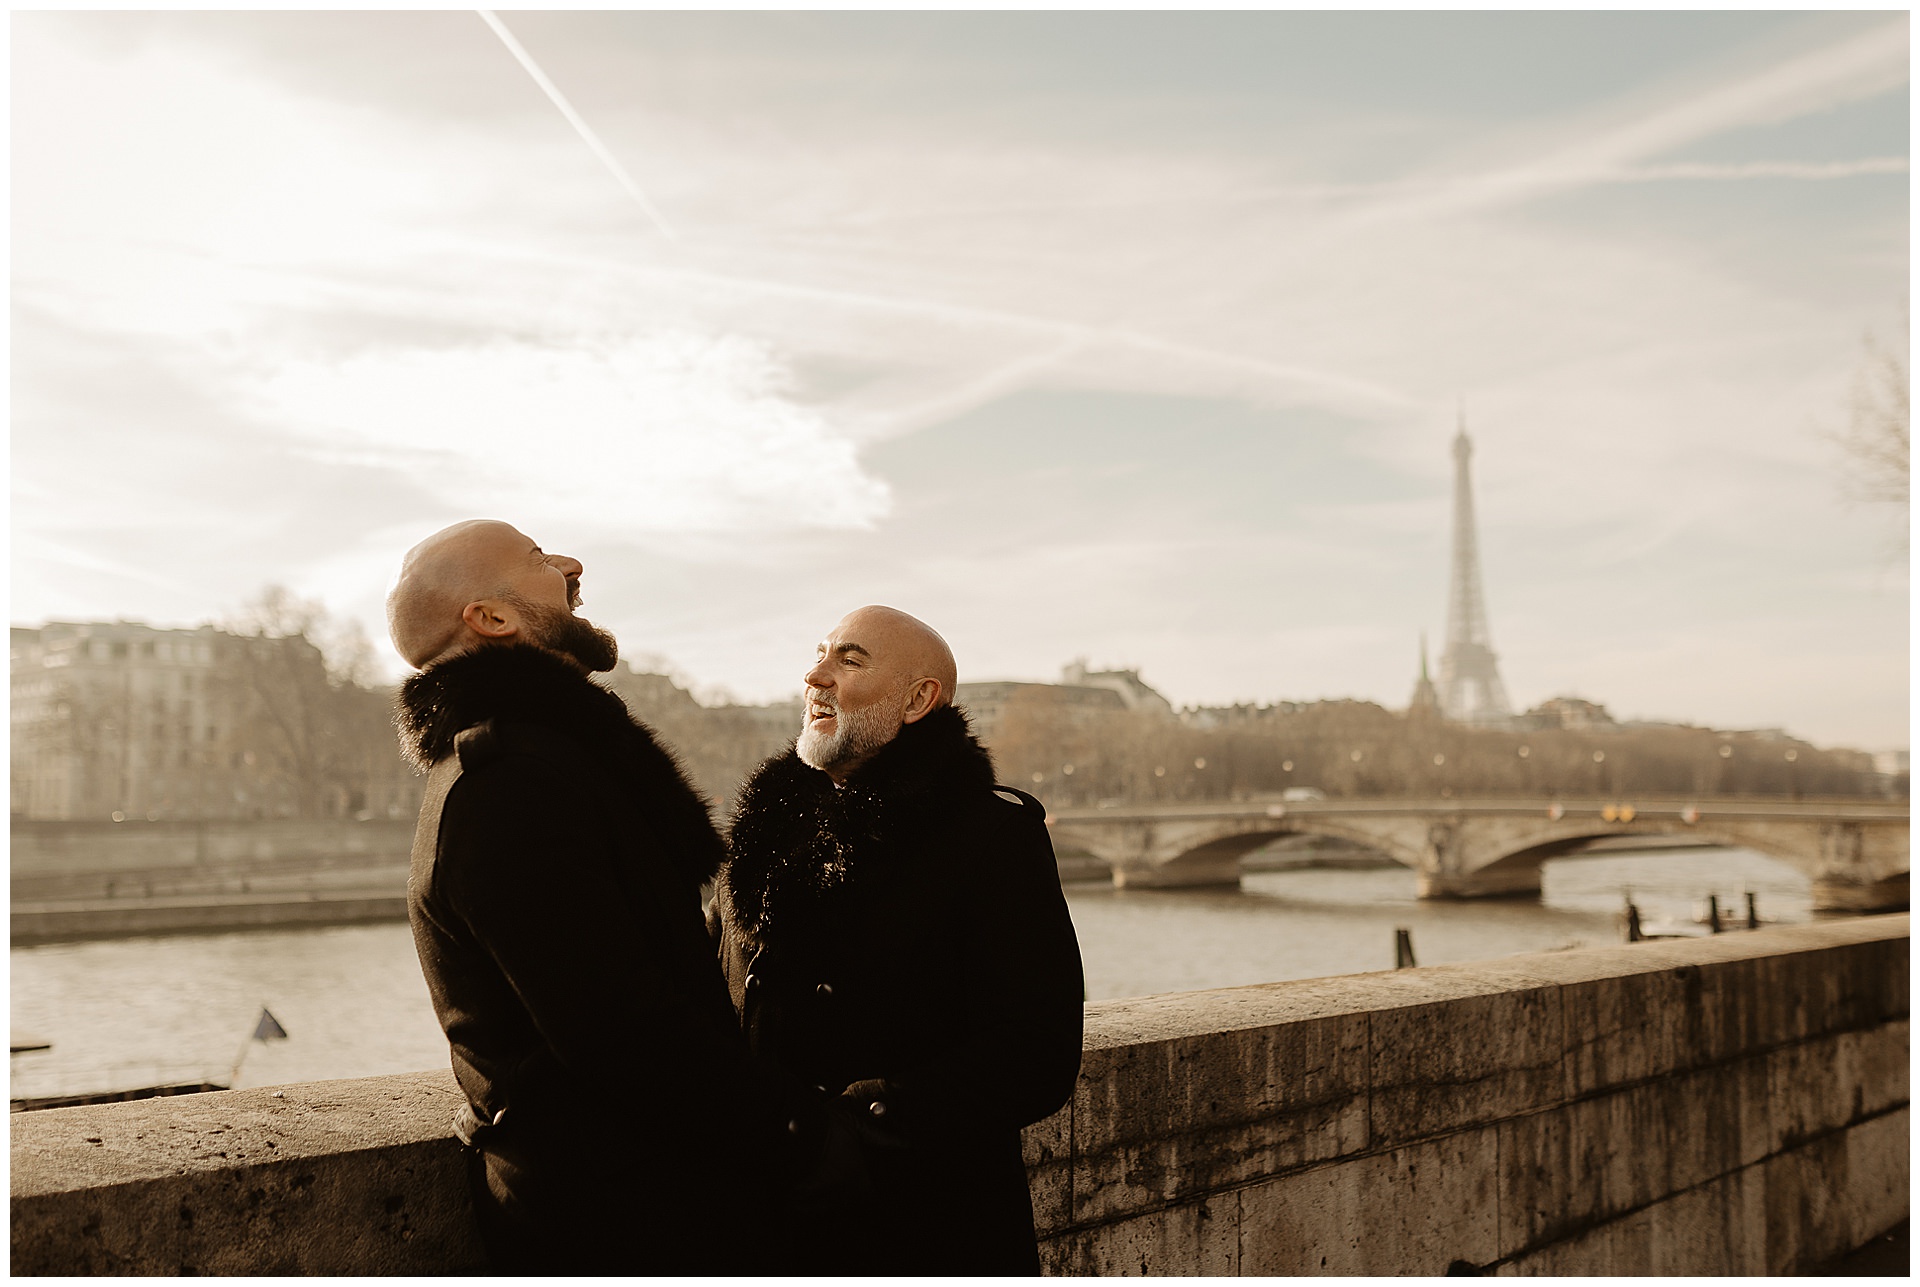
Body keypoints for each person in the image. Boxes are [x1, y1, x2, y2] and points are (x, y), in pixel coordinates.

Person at [389, 519, 773, 1274]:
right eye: (538, 560)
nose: (570, 565)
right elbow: (626, 1032)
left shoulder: (531, 766)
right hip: (625, 1224)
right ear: (492, 618)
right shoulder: (511, 785)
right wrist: (802, 1134)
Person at [711, 604, 1085, 1275]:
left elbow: (1036, 1049)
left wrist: (853, 1129)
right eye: (820, 653)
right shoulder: (764, 834)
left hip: (921, 1224)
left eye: (848, 659)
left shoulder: (990, 837)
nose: (815, 674)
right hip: (765, 1223)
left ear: (918, 700)